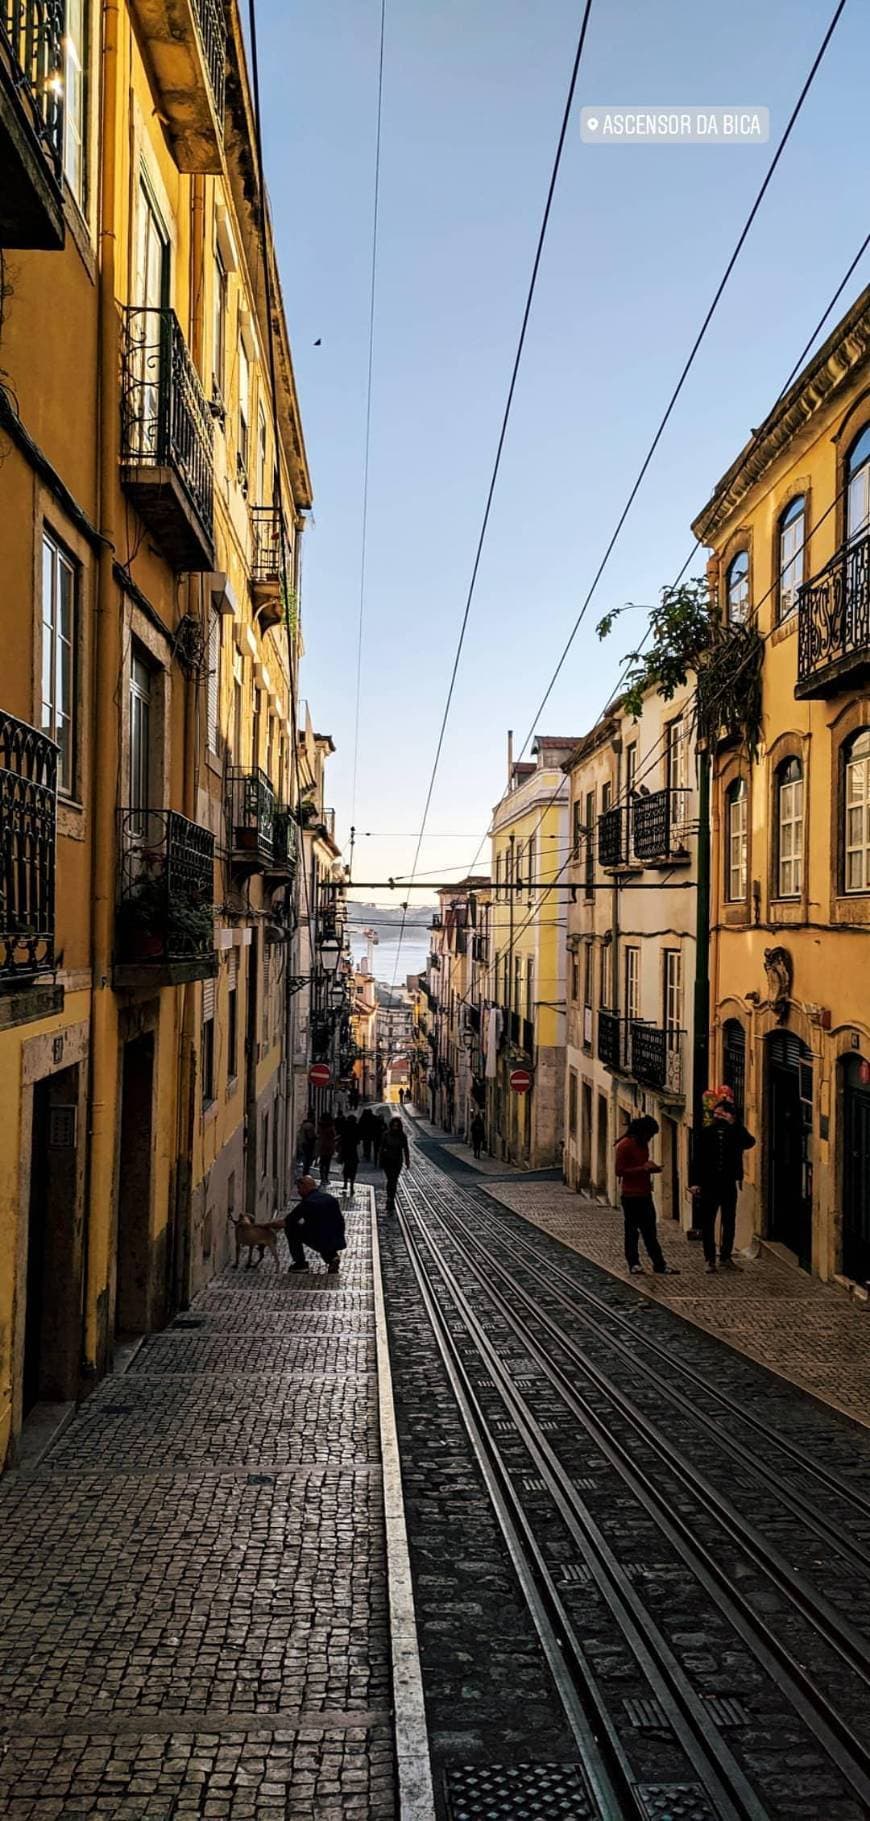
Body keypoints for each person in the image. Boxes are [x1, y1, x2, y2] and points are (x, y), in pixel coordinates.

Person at [690, 1099, 756, 1273]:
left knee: (729, 1221)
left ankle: (726, 1257)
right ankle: (709, 1259)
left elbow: (750, 1142)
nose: (718, 1116)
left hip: (728, 1184)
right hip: (709, 1184)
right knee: (708, 1223)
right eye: (716, 1113)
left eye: (722, 1114)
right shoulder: (705, 1133)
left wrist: (734, 1123)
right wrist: (695, 1183)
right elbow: (696, 1159)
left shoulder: (735, 1132)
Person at [614, 1115, 679, 1277]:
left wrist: (651, 1167)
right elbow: (619, 1171)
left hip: (644, 1194)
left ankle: (659, 1264)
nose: (650, 1138)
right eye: (649, 1135)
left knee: (650, 1231)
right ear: (642, 1132)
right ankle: (634, 1263)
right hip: (630, 1196)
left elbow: (641, 1164)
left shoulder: (644, 1145)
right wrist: (643, 1169)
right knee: (632, 1231)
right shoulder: (625, 1145)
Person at [285, 1175, 346, 1276]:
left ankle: (300, 1264)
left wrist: (263, 1225)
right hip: (337, 1239)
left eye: (299, 1188)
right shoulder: (330, 1198)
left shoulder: (308, 1202)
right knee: (322, 1232)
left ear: (305, 1187)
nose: (298, 1192)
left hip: (321, 1239)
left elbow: (287, 1221)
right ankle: (332, 1258)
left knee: (292, 1227)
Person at [380, 1116, 410, 1212]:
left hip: (397, 1161)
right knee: (390, 1180)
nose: (395, 1128)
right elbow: (381, 1148)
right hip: (387, 1160)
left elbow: (406, 1149)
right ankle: (390, 1197)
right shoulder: (386, 1135)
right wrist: (381, 1160)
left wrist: (407, 1161)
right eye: (394, 1126)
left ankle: (391, 1198)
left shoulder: (402, 1136)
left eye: (397, 1126)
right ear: (391, 1126)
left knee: (394, 1180)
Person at [341, 1112, 360, 1196]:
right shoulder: (356, 1127)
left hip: (345, 1151)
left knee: (346, 1168)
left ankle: (345, 1183)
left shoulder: (345, 1127)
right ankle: (351, 1186)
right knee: (353, 1170)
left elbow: (342, 1137)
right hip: (353, 1152)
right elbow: (358, 1140)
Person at [317, 1112, 336, 1186]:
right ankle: (326, 1178)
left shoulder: (320, 1126)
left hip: (322, 1146)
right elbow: (333, 1136)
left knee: (322, 1163)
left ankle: (322, 1178)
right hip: (329, 1147)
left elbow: (319, 1134)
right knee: (327, 1164)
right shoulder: (330, 1127)